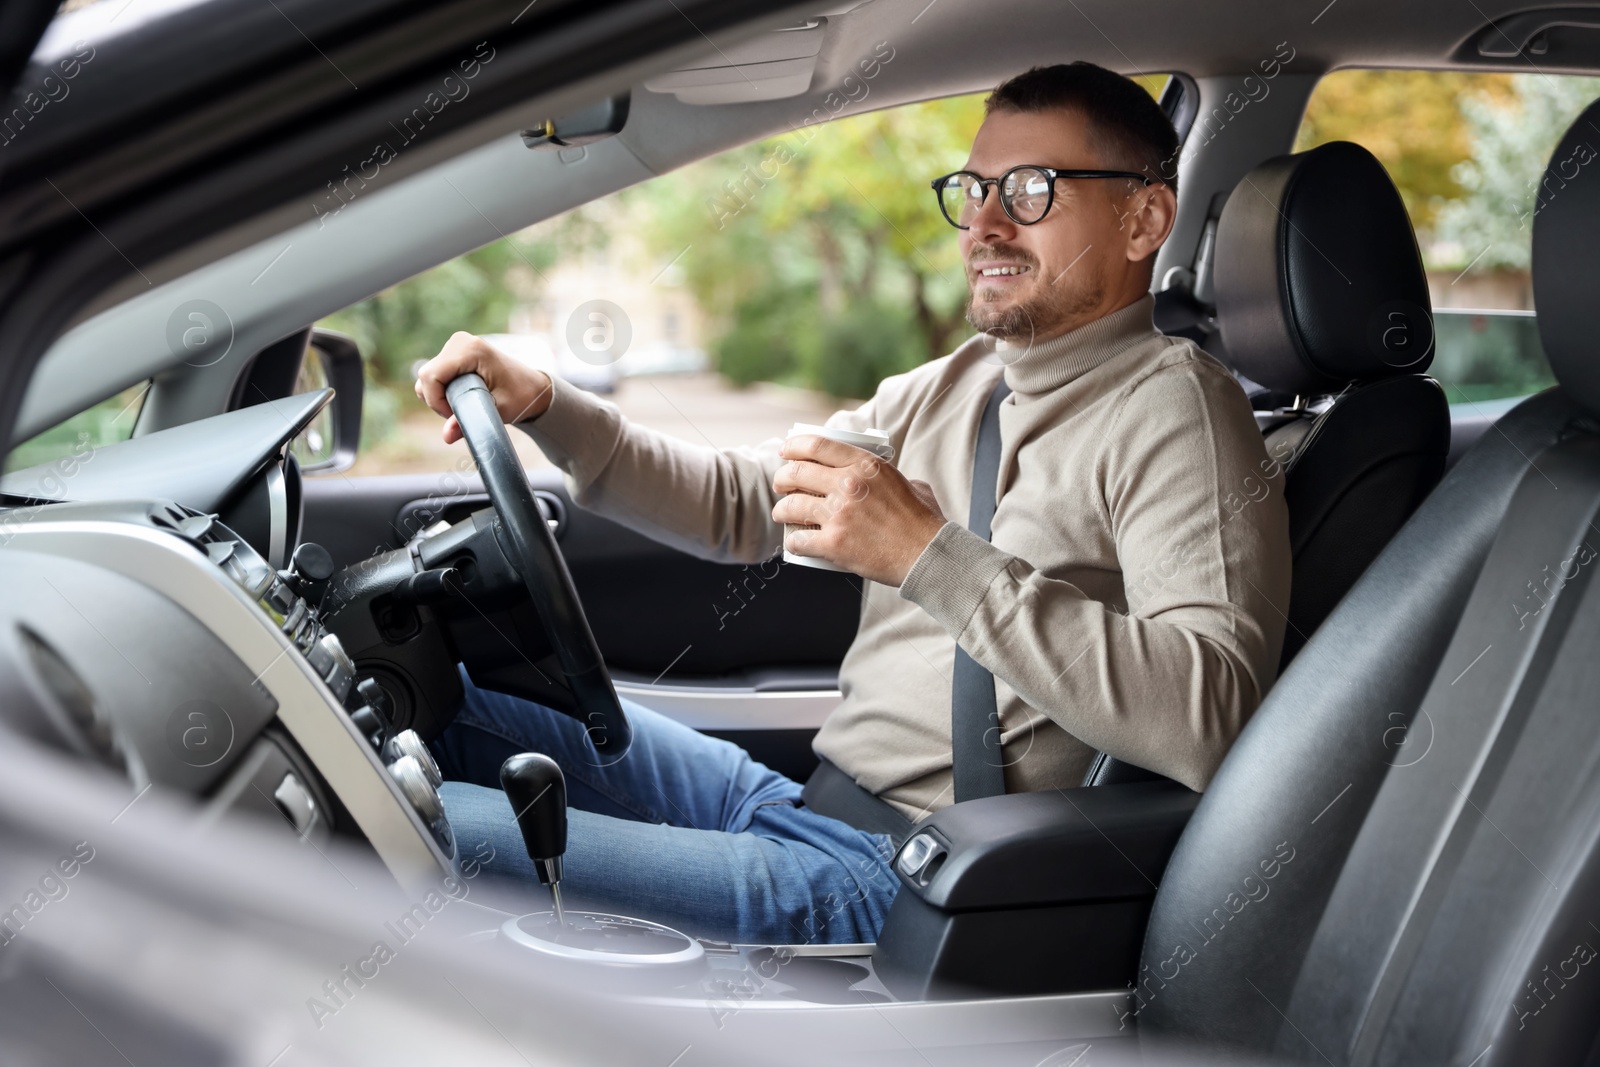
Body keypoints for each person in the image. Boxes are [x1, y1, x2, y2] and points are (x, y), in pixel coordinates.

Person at [412, 61, 1291, 946]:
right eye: (974, 188)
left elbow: (1205, 713)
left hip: (908, 879)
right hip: (802, 802)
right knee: (426, 707)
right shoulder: (959, 384)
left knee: (424, 833)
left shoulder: (1178, 409)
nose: (984, 222)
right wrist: (546, 406)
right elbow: (743, 502)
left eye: (1030, 190)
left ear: (1144, 219)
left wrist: (925, 553)